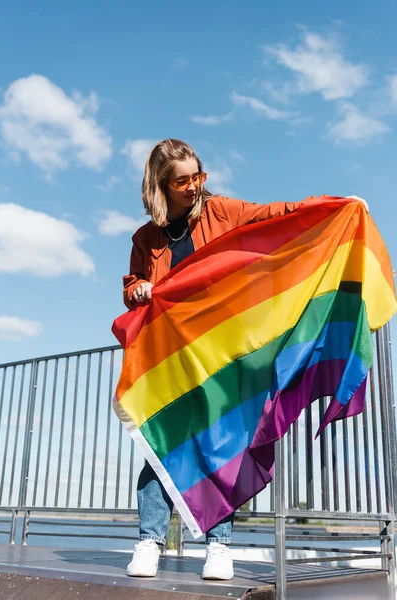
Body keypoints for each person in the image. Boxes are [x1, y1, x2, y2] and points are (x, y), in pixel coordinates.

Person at [122, 139, 368, 580]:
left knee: (224, 445)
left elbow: (277, 214)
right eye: (183, 180)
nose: (195, 186)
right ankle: (149, 541)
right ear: (160, 184)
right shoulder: (146, 239)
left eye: (199, 176)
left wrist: (335, 204)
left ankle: (219, 548)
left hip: (224, 353)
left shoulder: (220, 211)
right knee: (160, 444)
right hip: (173, 358)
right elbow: (134, 283)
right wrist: (137, 289)